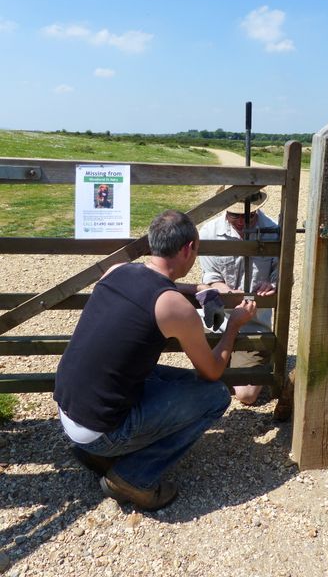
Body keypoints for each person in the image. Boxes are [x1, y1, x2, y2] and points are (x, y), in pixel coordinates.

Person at [54, 209, 256, 511]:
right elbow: (213, 371)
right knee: (214, 396)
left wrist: (198, 288)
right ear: (188, 249)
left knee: (159, 375)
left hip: (70, 413)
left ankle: (100, 455)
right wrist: (234, 326)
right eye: (196, 250)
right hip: (100, 429)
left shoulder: (117, 270)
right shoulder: (173, 308)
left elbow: (156, 283)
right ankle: (133, 477)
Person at [199, 188, 278, 405]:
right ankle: (234, 361)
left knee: (246, 396)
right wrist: (223, 289)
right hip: (217, 321)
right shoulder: (209, 232)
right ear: (225, 210)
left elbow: (281, 271)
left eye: (249, 215)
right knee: (209, 380)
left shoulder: (273, 229)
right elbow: (210, 276)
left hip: (253, 325)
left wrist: (273, 282)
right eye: (236, 216)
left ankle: (261, 357)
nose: (242, 222)